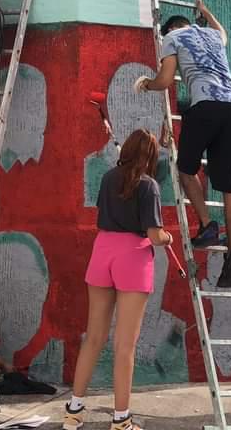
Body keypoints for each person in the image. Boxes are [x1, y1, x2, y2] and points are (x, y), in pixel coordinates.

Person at [65, 129, 173, 430]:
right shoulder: (149, 186)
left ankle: (73, 411)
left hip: (102, 251)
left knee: (94, 338)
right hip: (132, 257)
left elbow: (106, 213)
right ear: (150, 156)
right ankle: (121, 419)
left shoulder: (108, 177)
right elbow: (154, 234)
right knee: (125, 346)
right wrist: (167, 236)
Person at [137, 0, 231, 288]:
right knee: (230, 186)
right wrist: (206, 10)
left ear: (170, 29)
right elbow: (221, 30)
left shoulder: (172, 37)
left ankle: (208, 225)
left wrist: (146, 84)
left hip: (205, 106)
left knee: (186, 168)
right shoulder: (212, 36)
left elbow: (164, 80)